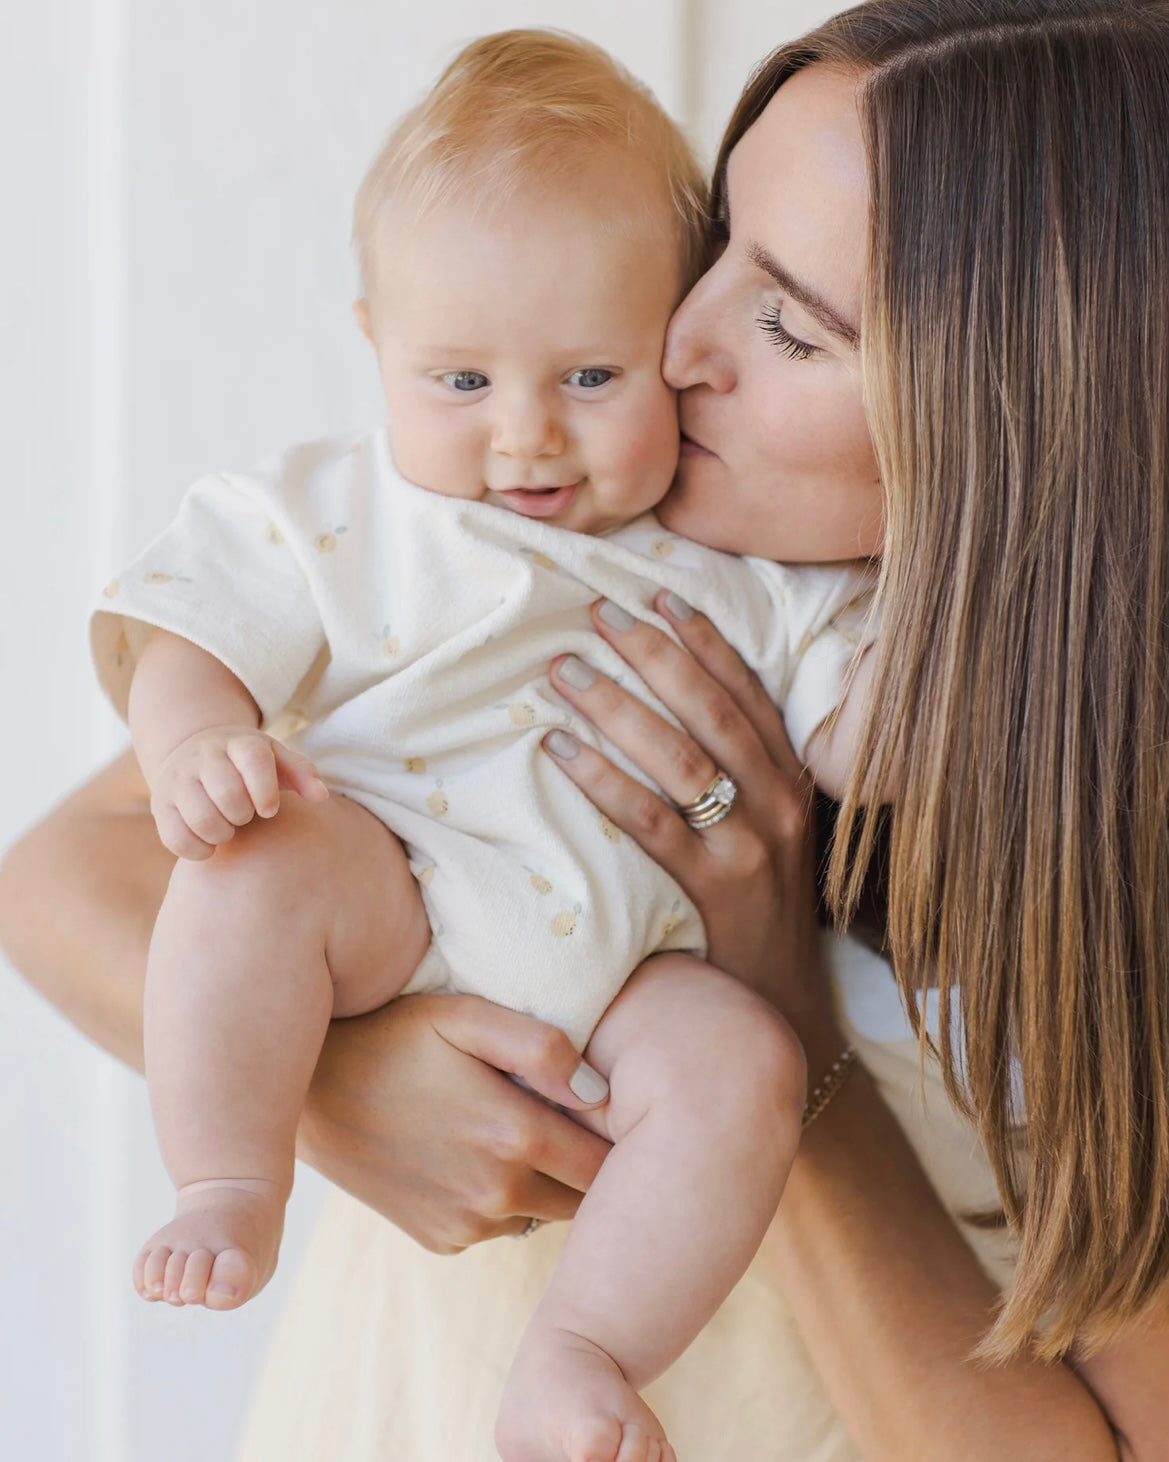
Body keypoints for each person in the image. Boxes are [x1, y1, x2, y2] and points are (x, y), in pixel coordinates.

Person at [3, 1, 1169, 1458]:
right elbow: (60, 874)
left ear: (1024, 416)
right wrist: (349, 1085)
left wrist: (785, 1011)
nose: (672, 343)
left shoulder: (1029, 794)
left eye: (785, 322)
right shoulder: (515, 527)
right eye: (713, 244)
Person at [87, 29, 874, 1462]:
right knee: (250, 870)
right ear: (375, 343)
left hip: (635, 982)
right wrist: (194, 729)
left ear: (670, 348)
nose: (526, 438)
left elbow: (857, 723)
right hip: (396, 901)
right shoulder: (347, 510)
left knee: (741, 1068)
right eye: (459, 382)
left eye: (589, 376)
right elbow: (184, 618)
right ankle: (224, 1173)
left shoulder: (725, 550)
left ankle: (576, 1347)